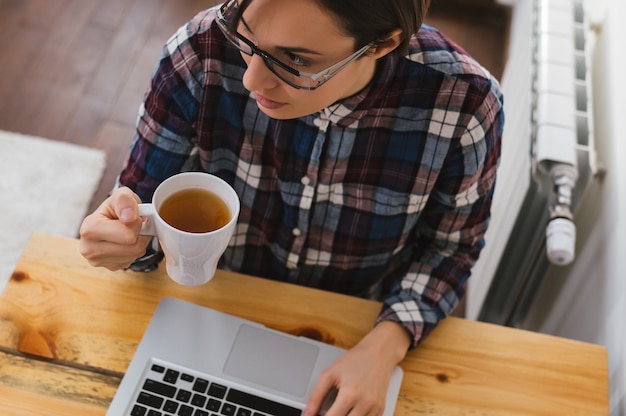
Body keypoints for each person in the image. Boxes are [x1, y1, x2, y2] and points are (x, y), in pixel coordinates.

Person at [79, 0, 504, 414]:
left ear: (380, 45)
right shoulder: (198, 51)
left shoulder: (465, 101)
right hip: (206, 306)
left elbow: (451, 248)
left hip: (358, 326)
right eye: (246, 35)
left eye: (296, 60)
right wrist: (127, 240)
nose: (251, 80)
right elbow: (140, 206)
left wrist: (383, 348)